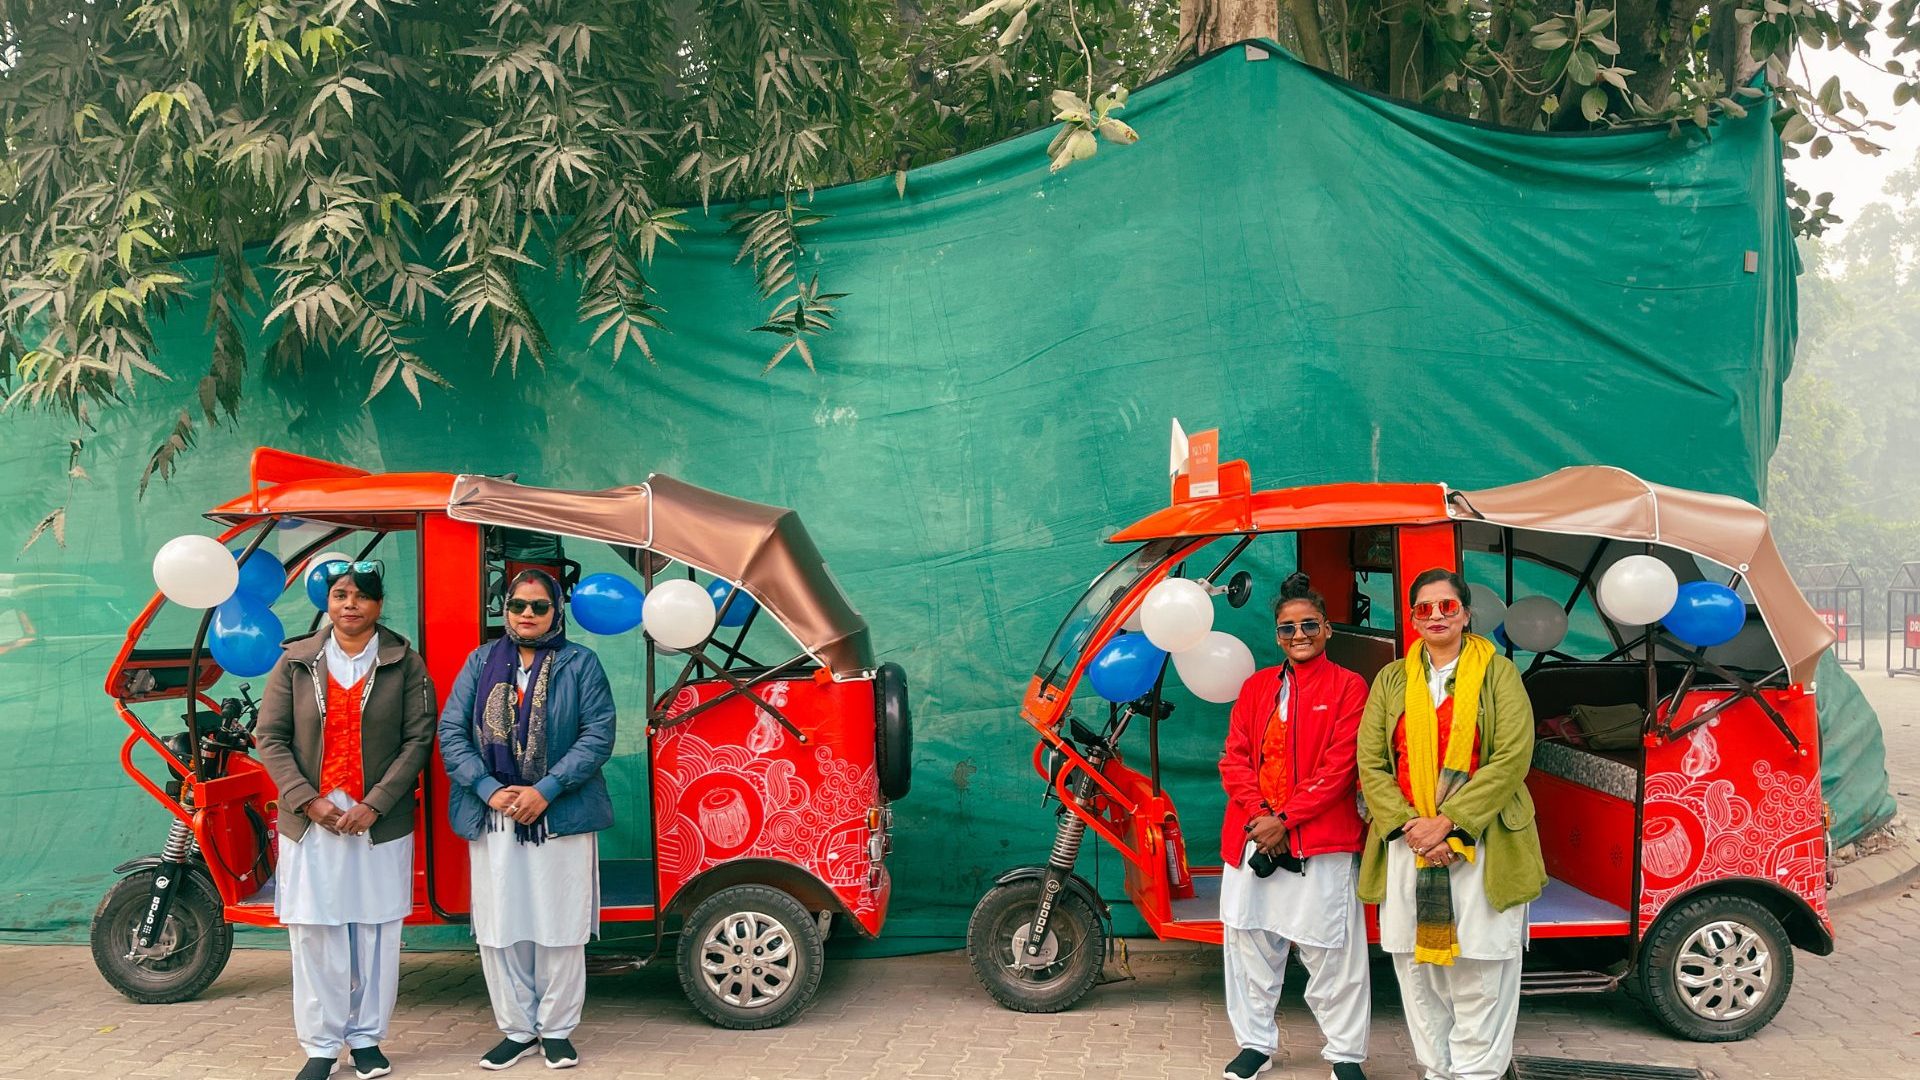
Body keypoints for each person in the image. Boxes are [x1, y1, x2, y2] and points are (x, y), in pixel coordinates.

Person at [1355, 568, 1545, 1080]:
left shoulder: (1498, 673)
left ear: (1466, 613)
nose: (1436, 615)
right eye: (1425, 607)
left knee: (1481, 973)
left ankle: (1477, 1074)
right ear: (1412, 617)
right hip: (1406, 841)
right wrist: (1412, 826)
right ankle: (1438, 1072)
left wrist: (1452, 822)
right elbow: (1370, 761)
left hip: (1483, 842)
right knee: (1418, 974)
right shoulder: (1392, 678)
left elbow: (1511, 757)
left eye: (1447, 606)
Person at [254, 561, 436, 1080]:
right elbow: (271, 737)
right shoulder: (295, 661)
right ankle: (320, 1044)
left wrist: (375, 803)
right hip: (312, 820)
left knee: (376, 928)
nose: (349, 604)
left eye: (361, 596)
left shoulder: (405, 662)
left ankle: (366, 1040)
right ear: (327, 604)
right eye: (340, 595)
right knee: (316, 929)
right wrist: (307, 800)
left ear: (379, 605)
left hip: (377, 821)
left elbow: (418, 739)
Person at [438, 569, 616, 1071]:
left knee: (560, 923)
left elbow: (597, 735)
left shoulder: (581, 663)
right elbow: (452, 733)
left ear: (557, 611)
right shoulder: (480, 662)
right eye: (518, 605)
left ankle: (557, 1030)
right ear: (505, 609)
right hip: (493, 814)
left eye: (540, 607)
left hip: (558, 813)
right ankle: (517, 1030)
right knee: (501, 925)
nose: (528, 615)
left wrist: (546, 790)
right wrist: (490, 789)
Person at [1216, 572, 1372, 1080]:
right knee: (1249, 944)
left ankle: (1345, 1054)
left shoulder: (1350, 687)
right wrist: (1262, 816)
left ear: (1328, 629)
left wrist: (1285, 819)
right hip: (1252, 835)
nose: (1298, 635)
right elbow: (1234, 758)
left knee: (1333, 953)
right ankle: (1255, 1045)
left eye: (1309, 625)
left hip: (1319, 840)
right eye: (1287, 628)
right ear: (1276, 635)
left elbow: (1340, 767)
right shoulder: (1257, 686)